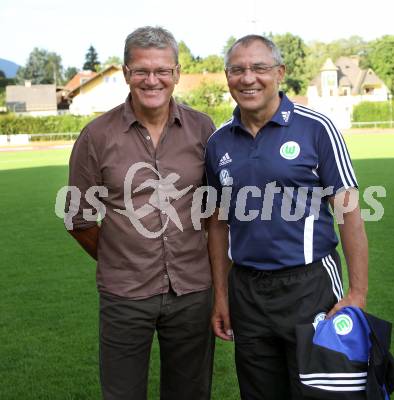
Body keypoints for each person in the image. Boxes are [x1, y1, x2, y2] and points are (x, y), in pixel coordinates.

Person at [205, 35, 368, 400]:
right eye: (237, 69)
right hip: (246, 291)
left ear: (280, 72)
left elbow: (349, 212)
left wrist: (357, 292)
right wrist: (221, 295)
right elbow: (217, 224)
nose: (248, 78)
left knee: (321, 393)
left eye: (259, 68)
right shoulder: (218, 143)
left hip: (309, 286)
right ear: (227, 77)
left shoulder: (316, 128)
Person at [65, 26, 215, 400]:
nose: (153, 80)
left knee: (190, 393)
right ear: (127, 73)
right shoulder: (97, 135)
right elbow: (78, 218)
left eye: (163, 70)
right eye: (142, 70)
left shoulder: (203, 129)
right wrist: (119, 256)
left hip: (193, 293)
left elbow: (216, 212)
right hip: (124, 295)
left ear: (177, 73)